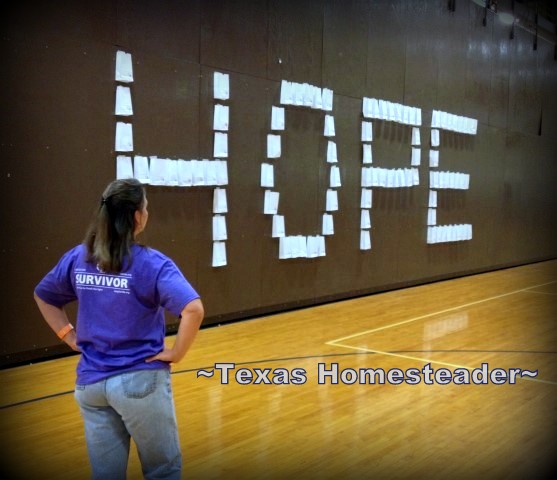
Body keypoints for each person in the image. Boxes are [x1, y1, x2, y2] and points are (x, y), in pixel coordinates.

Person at [34, 178, 204, 480]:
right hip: (139, 379)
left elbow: (44, 295)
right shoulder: (152, 264)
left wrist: (69, 337)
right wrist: (176, 353)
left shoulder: (78, 257)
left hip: (90, 384)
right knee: (163, 470)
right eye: (146, 207)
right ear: (138, 216)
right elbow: (193, 309)